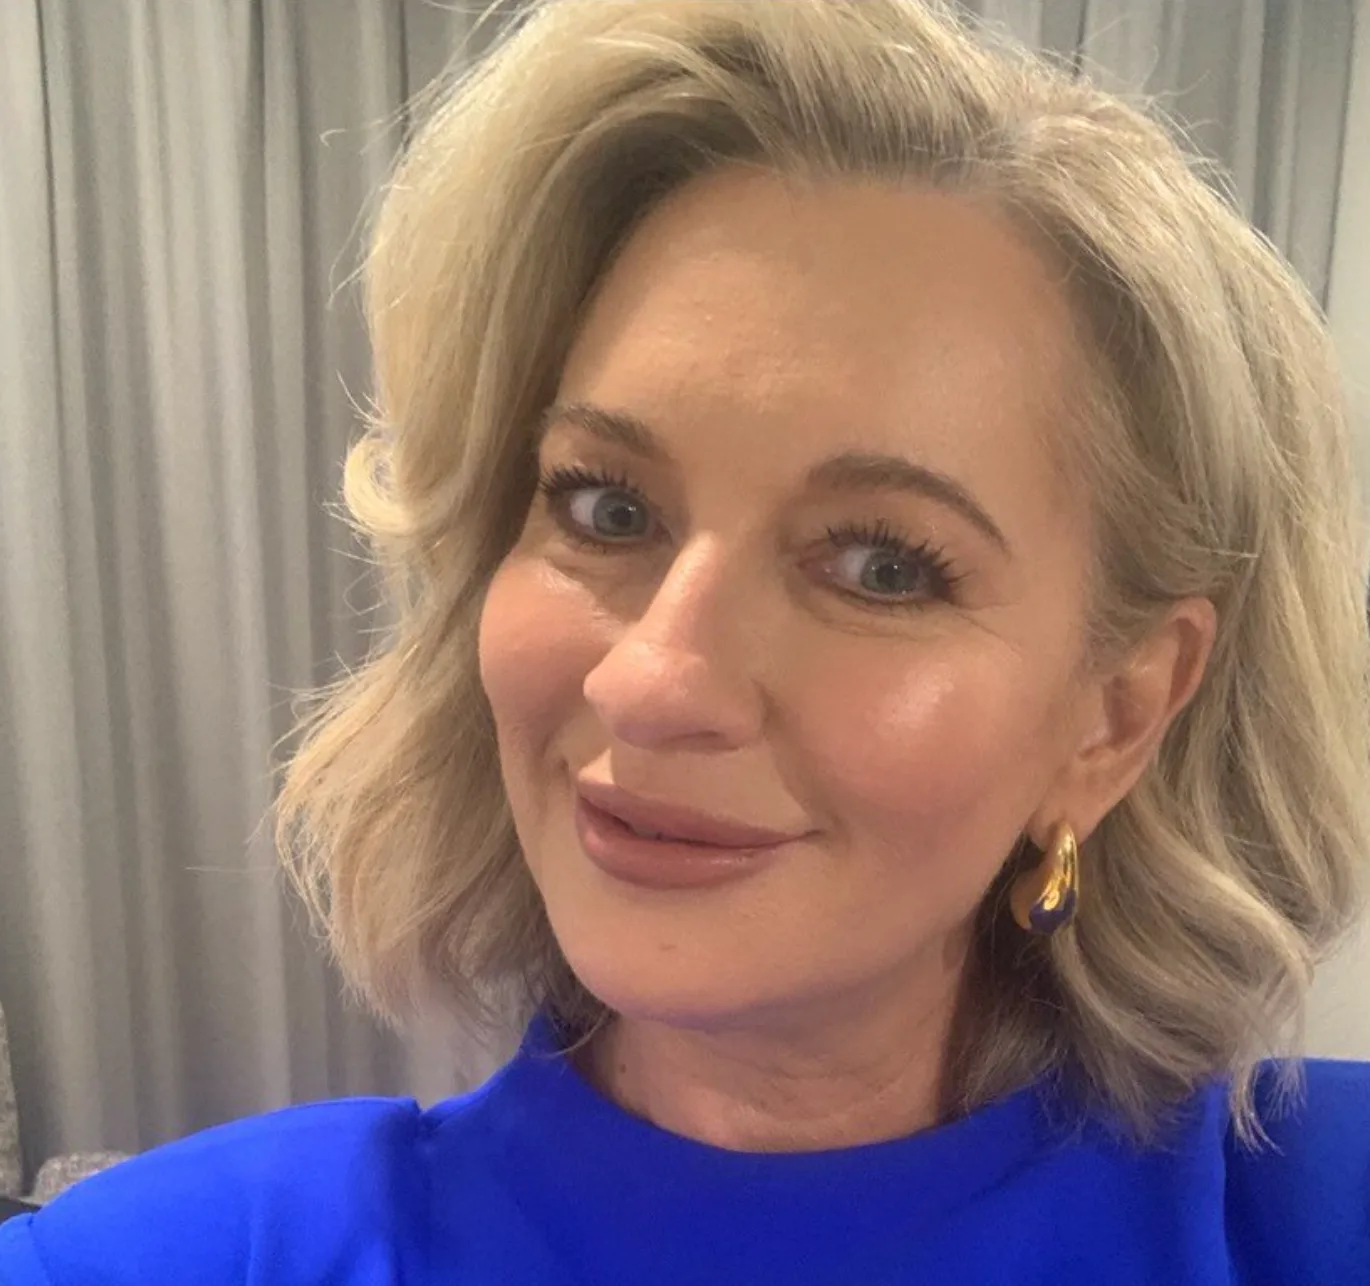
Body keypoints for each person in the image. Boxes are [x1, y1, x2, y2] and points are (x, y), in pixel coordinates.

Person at [3, 0, 1369, 1281]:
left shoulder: (1309, 1209)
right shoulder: (181, 1254)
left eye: (882, 565)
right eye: (607, 507)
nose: (651, 678)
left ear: (1115, 714)